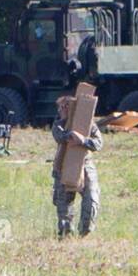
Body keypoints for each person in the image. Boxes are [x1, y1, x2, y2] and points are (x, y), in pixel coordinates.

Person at [52, 100, 102, 238]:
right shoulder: (58, 124)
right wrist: (69, 132)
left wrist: (84, 140)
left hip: (85, 165)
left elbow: (98, 143)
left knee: (91, 201)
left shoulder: (89, 124)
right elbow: (59, 137)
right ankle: (65, 235)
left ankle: (84, 232)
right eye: (61, 107)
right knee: (64, 208)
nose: (63, 110)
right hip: (63, 165)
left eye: (66, 106)